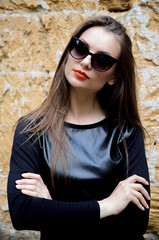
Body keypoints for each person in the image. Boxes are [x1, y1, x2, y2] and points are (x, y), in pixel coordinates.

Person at [7, 15, 150, 240]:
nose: (85, 62)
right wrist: (107, 206)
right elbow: (22, 213)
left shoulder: (127, 132)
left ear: (114, 76)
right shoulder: (31, 130)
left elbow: (136, 222)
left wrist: (51, 207)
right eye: (81, 48)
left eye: (102, 60)